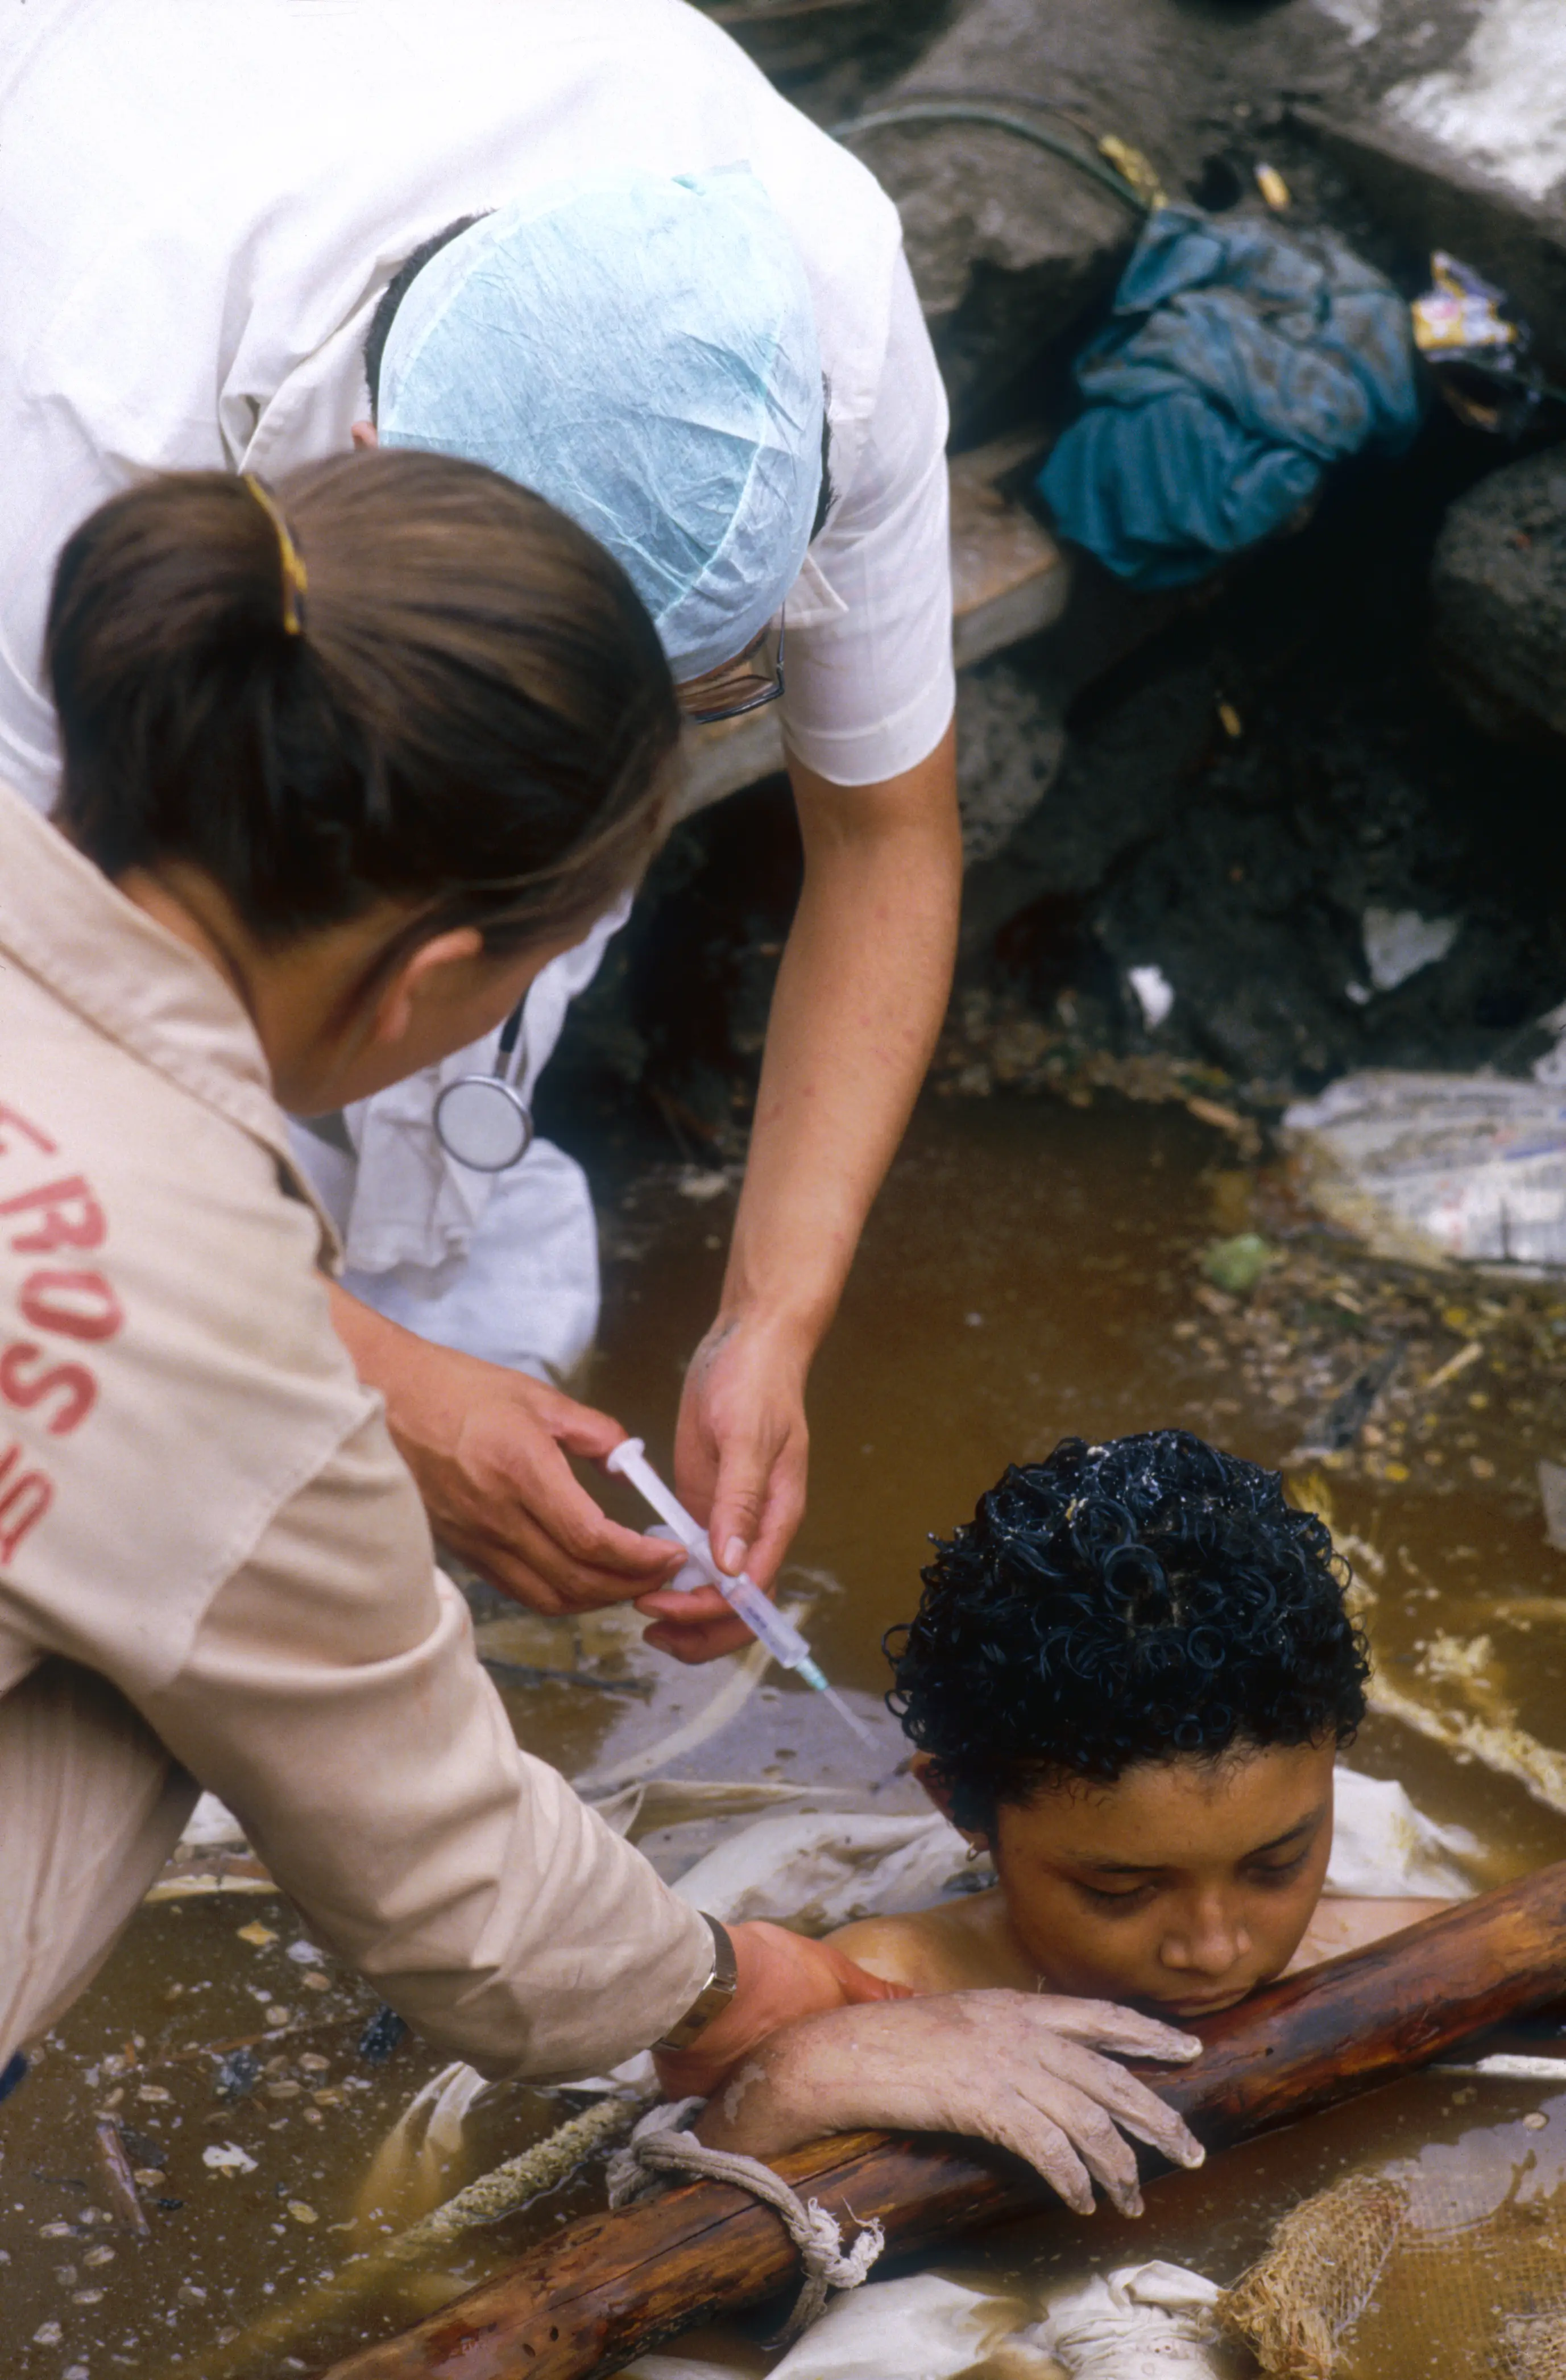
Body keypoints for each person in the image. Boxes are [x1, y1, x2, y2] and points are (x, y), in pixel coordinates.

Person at [0, 457, 1203, 2221]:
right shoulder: (206, 1337)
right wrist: (744, 1994)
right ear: (428, 980)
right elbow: (441, 1864)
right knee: (174, 1671)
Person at [0, 0, 962, 1657]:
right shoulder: (88, 420)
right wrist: (357, 1381)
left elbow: (885, 838)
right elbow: (36, 1056)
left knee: (415, 1213)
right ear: (373, 471)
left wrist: (766, 1320)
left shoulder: (816, 328)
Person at [689, 1431, 1448, 2202]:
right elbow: (690, 2186)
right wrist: (792, 2077)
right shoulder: (875, 2000)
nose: (1214, 1949)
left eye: (1275, 1865)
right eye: (1120, 1891)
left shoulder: (1392, 1953)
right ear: (960, 1806)